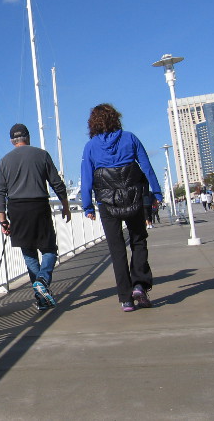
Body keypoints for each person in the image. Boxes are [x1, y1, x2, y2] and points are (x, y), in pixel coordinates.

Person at [80, 104, 162, 312]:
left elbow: (86, 179)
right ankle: (139, 285)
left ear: (93, 123)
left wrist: (87, 206)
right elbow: (146, 166)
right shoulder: (130, 138)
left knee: (117, 249)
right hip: (133, 198)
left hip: (107, 204)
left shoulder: (90, 147)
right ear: (116, 118)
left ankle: (126, 299)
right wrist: (157, 192)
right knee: (138, 241)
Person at [0, 123, 71, 311]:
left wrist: (3, 219)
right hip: (39, 206)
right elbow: (56, 183)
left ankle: (41, 296)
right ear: (28, 137)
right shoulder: (41, 155)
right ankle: (43, 280)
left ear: (12, 141)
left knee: (29, 253)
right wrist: (65, 206)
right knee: (49, 249)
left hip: (17, 209)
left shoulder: (5, 161)